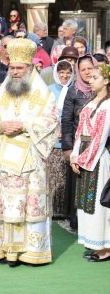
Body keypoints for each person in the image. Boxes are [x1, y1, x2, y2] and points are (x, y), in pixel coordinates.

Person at [0, 38, 58, 266]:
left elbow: (52, 122)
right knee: (6, 204)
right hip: (5, 159)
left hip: (31, 158)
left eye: (19, 68)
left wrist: (25, 125)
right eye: (12, 68)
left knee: (29, 204)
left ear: (30, 68)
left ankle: (31, 251)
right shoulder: (1, 94)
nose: (15, 72)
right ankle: (6, 250)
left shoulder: (44, 95)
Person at [70, 64, 110, 262]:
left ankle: (105, 246)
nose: (90, 80)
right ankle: (95, 243)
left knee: (98, 201)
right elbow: (81, 133)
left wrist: (83, 159)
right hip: (85, 154)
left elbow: (100, 136)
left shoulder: (107, 105)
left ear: (106, 80)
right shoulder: (91, 102)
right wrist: (74, 156)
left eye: (95, 77)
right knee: (86, 201)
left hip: (97, 158)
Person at [61, 54, 98, 229]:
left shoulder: (104, 88)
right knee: (78, 182)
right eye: (83, 70)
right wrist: (68, 148)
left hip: (100, 144)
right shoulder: (73, 90)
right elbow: (66, 121)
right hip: (79, 144)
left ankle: (96, 220)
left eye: (89, 68)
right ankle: (77, 219)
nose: (86, 73)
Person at [47, 60, 74, 219]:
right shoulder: (49, 90)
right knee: (53, 174)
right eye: (61, 72)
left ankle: (65, 209)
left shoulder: (74, 90)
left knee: (66, 175)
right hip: (52, 138)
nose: (65, 76)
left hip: (69, 138)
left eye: (68, 73)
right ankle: (52, 208)